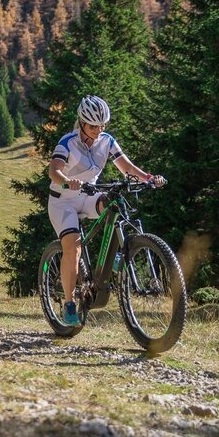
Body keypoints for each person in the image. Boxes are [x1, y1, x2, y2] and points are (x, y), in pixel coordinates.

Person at [47, 95, 165, 325]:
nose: (98, 130)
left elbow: (127, 167)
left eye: (102, 125)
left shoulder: (107, 140)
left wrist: (149, 178)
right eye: (93, 125)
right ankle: (70, 303)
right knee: (73, 246)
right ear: (81, 122)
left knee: (114, 203)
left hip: (88, 196)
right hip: (63, 201)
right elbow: (54, 171)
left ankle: (121, 253)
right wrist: (67, 180)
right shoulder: (67, 142)